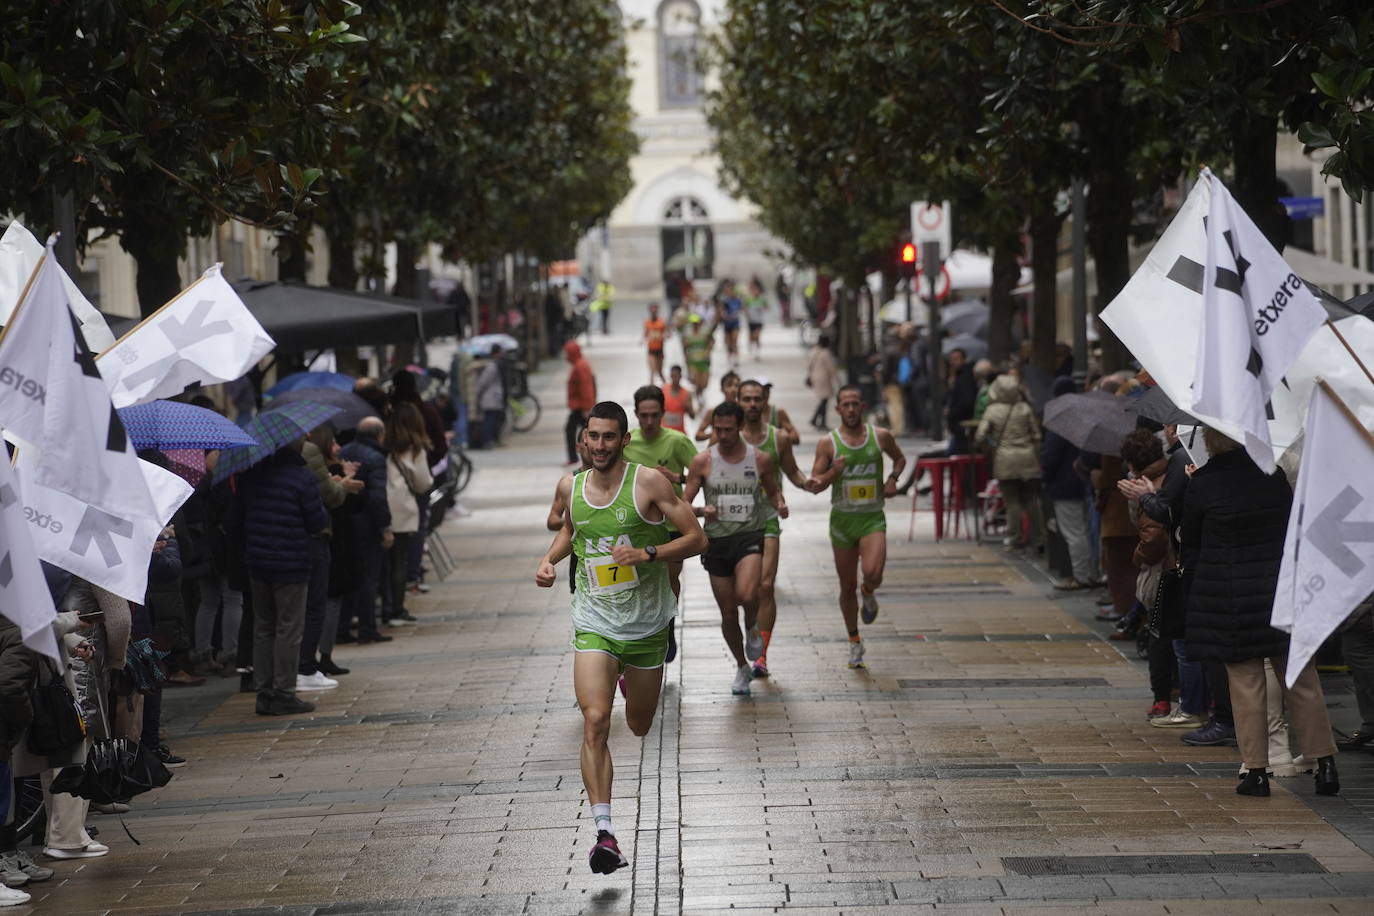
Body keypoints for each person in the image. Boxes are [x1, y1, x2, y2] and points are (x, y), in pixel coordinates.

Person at [535, 401, 706, 875]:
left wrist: (648, 552)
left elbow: (696, 539)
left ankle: (633, 681)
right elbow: (573, 529)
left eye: (610, 437)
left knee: (639, 724)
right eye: (594, 437)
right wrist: (549, 559)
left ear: (624, 439)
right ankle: (604, 832)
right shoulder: (572, 486)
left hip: (647, 625)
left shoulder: (649, 482)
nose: (601, 445)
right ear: (584, 438)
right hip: (594, 620)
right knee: (595, 720)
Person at [1180, 428, 1339, 797]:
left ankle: (1256, 772)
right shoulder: (1273, 475)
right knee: (1301, 680)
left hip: (1231, 600)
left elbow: (1192, 545)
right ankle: (1326, 763)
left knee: (1247, 686)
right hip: (1279, 594)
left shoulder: (1203, 484)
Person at [682, 402, 786, 695]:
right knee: (728, 613)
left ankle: (753, 625)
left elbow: (773, 489)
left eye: (729, 429)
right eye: (719, 429)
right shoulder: (703, 461)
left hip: (749, 535)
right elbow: (684, 503)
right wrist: (704, 511)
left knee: (747, 594)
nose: (724, 434)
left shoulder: (761, 459)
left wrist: (779, 503)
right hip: (717, 542)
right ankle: (742, 666)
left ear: (740, 427)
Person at [806, 386, 907, 669]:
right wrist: (833, 472)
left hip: (872, 517)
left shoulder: (880, 436)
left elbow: (899, 458)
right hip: (842, 521)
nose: (850, 409)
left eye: (854, 404)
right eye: (845, 405)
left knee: (873, 573)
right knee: (846, 585)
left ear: (862, 406)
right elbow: (815, 484)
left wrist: (892, 479)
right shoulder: (829, 443)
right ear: (837, 409)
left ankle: (869, 591)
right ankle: (854, 641)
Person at [231, 440, 329, 716]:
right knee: (289, 628)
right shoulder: (302, 477)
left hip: (258, 562)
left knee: (263, 627)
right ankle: (284, 691)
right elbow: (317, 522)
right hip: (292, 563)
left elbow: (237, 519)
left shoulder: (251, 476)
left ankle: (263, 692)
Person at [738, 379, 809, 678]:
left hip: (767, 519)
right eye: (747, 399)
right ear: (738, 401)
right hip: (736, 525)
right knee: (745, 594)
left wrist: (813, 483)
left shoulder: (778, 438)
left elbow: (793, 473)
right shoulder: (727, 438)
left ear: (765, 402)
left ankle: (761, 655)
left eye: (757, 399)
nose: (753, 404)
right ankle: (751, 631)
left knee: (766, 586)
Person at [624, 385, 699, 618]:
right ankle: (648, 624)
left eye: (654, 415)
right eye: (643, 415)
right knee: (641, 583)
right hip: (638, 526)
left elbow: (704, 473)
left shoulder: (677, 441)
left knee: (668, 579)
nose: (649, 421)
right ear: (635, 414)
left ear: (663, 413)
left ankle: (668, 622)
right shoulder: (626, 444)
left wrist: (679, 479)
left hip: (672, 526)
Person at [1119, 429, 1173, 719]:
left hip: (1162, 567)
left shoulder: (1142, 484)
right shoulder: (1172, 469)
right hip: (1175, 563)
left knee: (1159, 633)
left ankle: (1163, 698)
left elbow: (1152, 535)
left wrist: (1138, 556)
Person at [339, 417, 394, 645]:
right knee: (369, 578)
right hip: (367, 524)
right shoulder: (376, 458)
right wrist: (385, 528)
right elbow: (378, 497)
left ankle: (341, 628)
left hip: (346, 522)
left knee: (349, 576)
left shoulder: (344, 450)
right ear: (379, 435)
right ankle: (367, 628)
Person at [975, 375, 1045, 553]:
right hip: (1028, 459)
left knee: (1012, 500)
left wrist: (991, 446)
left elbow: (980, 436)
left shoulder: (992, 410)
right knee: (1031, 499)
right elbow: (1036, 436)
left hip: (1004, 460)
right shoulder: (1024, 408)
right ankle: (1039, 538)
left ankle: (1016, 539)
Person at [384, 403, 434, 627]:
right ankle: (396, 609)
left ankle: (385, 607)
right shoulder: (415, 449)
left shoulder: (384, 446)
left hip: (381, 508)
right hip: (402, 509)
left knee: (383, 563)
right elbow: (423, 483)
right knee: (399, 561)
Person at [1042, 378, 1094, 589]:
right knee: (1084, 530)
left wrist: (1045, 475)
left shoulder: (1060, 421)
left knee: (1073, 532)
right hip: (1081, 481)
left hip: (1064, 484)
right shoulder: (1085, 417)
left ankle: (1081, 576)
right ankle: (1090, 573)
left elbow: (1051, 456)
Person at [564, 340, 597, 467]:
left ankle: (576, 456)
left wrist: (587, 407)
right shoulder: (580, 364)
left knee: (576, 430)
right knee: (583, 430)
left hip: (581, 406)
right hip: (580, 405)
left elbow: (586, 387)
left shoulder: (580, 366)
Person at [944, 348, 978, 454]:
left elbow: (967, 401)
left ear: (963, 360)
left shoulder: (965, 376)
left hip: (962, 423)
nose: (953, 362)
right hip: (958, 424)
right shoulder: (956, 375)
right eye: (951, 359)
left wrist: (952, 413)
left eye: (956, 359)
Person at [693, 370, 740, 442]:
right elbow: (698, 435)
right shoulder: (714, 411)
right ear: (722, 389)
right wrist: (715, 434)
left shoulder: (745, 411)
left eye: (736, 386)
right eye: (729, 385)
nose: (733, 389)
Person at [807, 333, 839, 431]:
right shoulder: (826, 353)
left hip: (815, 377)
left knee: (823, 400)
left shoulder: (813, 351)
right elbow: (831, 368)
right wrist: (837, 379)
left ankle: (816, 420)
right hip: (824, 378)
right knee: (824, 400)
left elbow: (809, 365)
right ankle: (819, 421)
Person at [477, 344, 506, 449]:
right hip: (490, 398)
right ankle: (487, 441)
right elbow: (483, 382)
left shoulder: (494, 365)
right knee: (489, 420)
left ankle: (491, 440)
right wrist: (479, 393)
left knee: (493, 420)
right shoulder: (491, 366)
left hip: (493, 398)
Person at [757, 378, 800, 446]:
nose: (765, 394)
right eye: (761, 391)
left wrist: (775, 438)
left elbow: (796, 438)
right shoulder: (744, 413)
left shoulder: (778, 413)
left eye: (767, 390)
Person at [680, 311, 714, 394]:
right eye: (693, 323)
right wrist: (686, 358)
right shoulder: (687, 332)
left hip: (704, 360)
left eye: (696, 322)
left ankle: (699, 393)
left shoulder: (705, 331)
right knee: (697, 382)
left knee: (705, 384)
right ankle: (699, 396)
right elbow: (684, 346)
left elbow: (712, 341)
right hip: (693, 361)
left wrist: (709, 350)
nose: (695, 324)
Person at [661, 364, 696, 434]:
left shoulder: (686, 394)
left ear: (680, 376)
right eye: (672, 376)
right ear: (670, 376)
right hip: (664, 432)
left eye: (676, 376)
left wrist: (688, 408)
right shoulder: (663, 390)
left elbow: (693, 416)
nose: (674, 379)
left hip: (679, 433)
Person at [718, 279, 743, 367]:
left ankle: (736, 357)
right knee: (728, 341)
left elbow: (741, 308)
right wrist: (724, 316)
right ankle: (730, 354)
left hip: (735, 322)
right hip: (727, 323)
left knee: (734, 340)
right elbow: (721, 310)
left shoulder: (738, 299)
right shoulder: (724, 300)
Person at [643, 303, 668, 384]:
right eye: (652, 311)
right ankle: (651, 387)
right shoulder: (647, 322)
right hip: (651, 350)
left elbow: (667, 333)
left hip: (660, 349)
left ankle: (666, 386)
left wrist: (661, 336)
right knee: (652, 371)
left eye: (655, 311)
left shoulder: (661, 322)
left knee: (660, 372)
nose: (653, 312)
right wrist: (647, 338)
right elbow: (645, 334)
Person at [744, 276, 768, 360]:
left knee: (757, 336)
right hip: (751, 321)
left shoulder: (762, 299)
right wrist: (747, 312)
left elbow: (767, 307)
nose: (755, 292)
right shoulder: (749, 299)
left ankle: (757, 352)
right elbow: (744, 308)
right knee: (751, 337)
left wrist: (763, 308)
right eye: (754, 290)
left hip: (759, 321)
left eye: (757, 290)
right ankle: (751, 346)